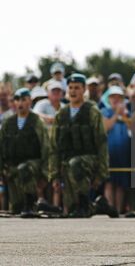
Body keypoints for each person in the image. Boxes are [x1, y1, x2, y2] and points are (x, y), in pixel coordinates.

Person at [48, 72, 109, 217]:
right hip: (67, 165)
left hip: (88, 161)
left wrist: (101, 173)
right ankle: (99, 207)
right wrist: (54, 175)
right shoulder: (61, 115)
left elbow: (101, 143)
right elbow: (54, 147)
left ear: (84, 90)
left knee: (76, 164)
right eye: (71, 87)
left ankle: (86, 205)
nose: (73, 91)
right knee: (72, 208)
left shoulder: (92, 112)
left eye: (77, 87)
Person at [0, 86, 48, 215]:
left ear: (30, 101)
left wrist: (45, 173)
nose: (20, 103)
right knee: (17, 208)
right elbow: (2, 146)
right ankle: (25, 206)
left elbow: (45, 147)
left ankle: (31, 203)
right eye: (17, 100)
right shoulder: (8, 123)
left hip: (32, 165)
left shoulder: (37, 121)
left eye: (23, 99)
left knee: (24, 168)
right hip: (13, 165)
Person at [102, 86, 132, 215]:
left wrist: (124, 115)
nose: (115, 99)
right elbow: (106, 127)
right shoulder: (104, 111)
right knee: (109, 182)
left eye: (118, 97)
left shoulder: (127, 113)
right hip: (109, 152)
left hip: (124, 152)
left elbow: (134, 129)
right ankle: (110, 209)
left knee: (121, 183)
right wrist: (116, 115)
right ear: (108, 98)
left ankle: (119, 211)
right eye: (113, 97)